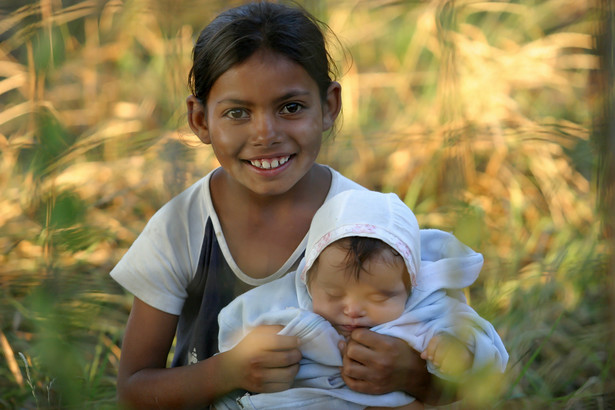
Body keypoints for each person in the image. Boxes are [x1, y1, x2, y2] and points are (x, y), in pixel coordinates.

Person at [111, 2, 474, 408]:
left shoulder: (370, 226)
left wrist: (416, 376)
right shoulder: (181, 228)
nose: (265, 134)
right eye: (237, 112)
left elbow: (469, 381)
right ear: (200, 121)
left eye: (291, 107)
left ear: (330, 106)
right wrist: (229, 370)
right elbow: (134, 391)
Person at [215, 190, 509, 409]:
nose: (353, 310)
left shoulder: (424, 310)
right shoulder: (286, 301)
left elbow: (482, 342)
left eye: (380, 297)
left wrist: (459, 351)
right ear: (308, 278)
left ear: (411, 285)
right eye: (333, 294)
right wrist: (247, 348)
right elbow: (234, 323)